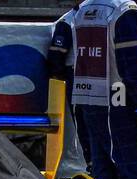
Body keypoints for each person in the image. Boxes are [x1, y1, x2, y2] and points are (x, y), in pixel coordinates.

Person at [70, 0, 137, 179]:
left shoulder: (83, 9)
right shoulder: (124, 10)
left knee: (103, 174)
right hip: (118, 103)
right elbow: (134, 70)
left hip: (88, 100)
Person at [47, 0, 91, 168]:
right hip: (76, 76)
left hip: (99, 75)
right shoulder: (67, 22)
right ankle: (92, 162)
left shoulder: (105, 16)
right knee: (84, 122)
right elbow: (55, 58)